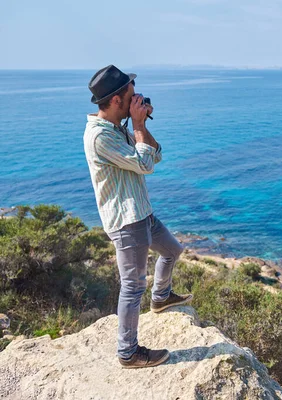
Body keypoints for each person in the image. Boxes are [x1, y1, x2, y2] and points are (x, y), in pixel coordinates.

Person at [83, 65, 192, 368]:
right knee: (132, 286)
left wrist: (140, 123)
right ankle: (128, 352)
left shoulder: (119, 129)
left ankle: (161, 297)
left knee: (172, 250)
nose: (137, 97)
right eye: (132, 94)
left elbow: (155, 153)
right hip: (126, 221)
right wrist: (139, 124)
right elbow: (145, 164)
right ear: (117, 100)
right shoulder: (100, 138)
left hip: (142, 212)